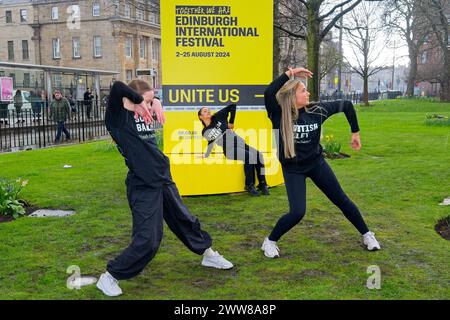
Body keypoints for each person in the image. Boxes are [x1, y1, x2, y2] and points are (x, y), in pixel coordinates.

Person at [96, 80, 233, 297]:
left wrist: (156, 101)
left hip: (163, 178)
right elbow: (116, 87)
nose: (150, 106)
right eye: (148, 102)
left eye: (151, 102)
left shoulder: (143, 113)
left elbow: (146, 101)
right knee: (148, 240)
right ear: (132, 99)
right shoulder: (117, 118)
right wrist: (143, 101)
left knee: (185, 220)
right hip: (143, 184)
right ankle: (110, 276)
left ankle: (207, 254)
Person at [260, 67, 381, 259]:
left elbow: (347, 105)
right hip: (293, 169)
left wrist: (355, 132)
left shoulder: (317, 110)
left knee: (341, 200)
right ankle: (270, 241)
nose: (308, 93)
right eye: (303, 91)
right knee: (298, 212)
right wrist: (290, 73)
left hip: (316, 164)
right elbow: (269, 93)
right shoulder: (278, 114)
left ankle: (367, 235)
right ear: (292, 95)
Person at [198, 104, 269, 196]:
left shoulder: (218, 116)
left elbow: (232, 106)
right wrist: (206, 154)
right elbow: (211, 142)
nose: (208, 111)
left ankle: (262, 183)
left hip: (240, 143)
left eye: (208, 110)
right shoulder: (205, 131)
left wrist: (231, 122)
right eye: (204, 111)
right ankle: (249, 185)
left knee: (259, 155)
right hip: (229, 149)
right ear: (200, 117)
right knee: (249, 156)